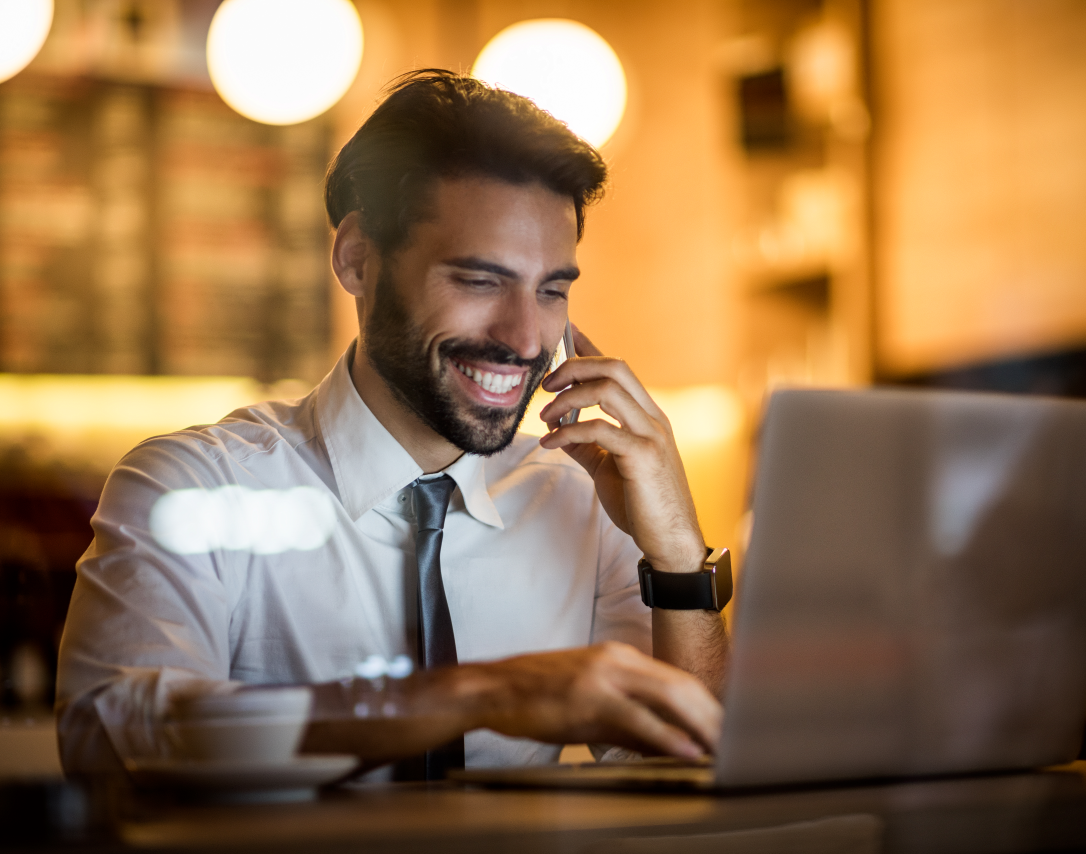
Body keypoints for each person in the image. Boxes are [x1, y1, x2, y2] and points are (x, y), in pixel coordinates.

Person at [55, 70, 729, 778]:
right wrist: (479, 693)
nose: (526, 338)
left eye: (552, 290)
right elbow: (107, 736)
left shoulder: (581, 504)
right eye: (479, 280)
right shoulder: (194, 486)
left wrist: (679, 556)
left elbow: (689, 769)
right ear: (356, 258)